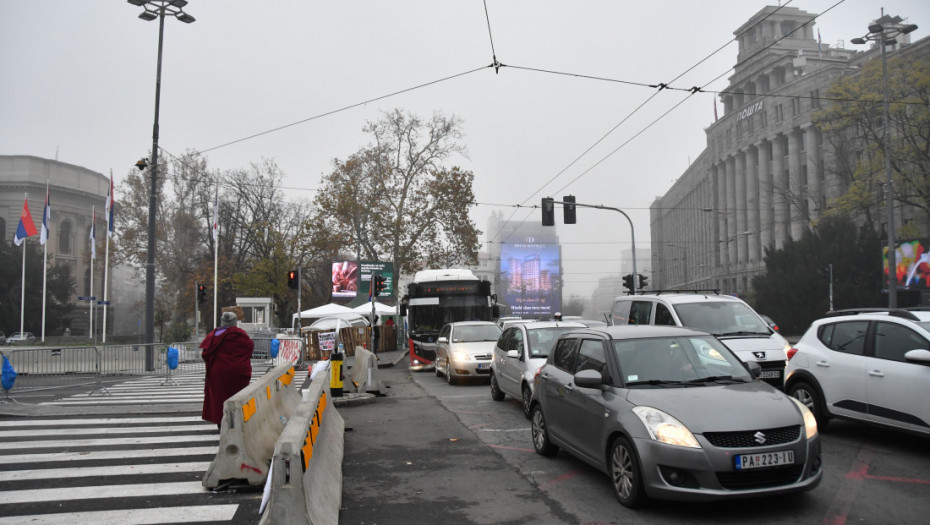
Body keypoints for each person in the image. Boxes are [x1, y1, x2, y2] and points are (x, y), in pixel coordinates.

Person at [200, 311, 253, 429]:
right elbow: (249, 348)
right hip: (238, 372)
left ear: (222, 321)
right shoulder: (241, 334)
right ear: (235, 322)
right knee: (238, 396)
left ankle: (221, 422)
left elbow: (205, 353)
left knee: (220, 399)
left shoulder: (213, 335)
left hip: (218, 373)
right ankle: (238, 421)